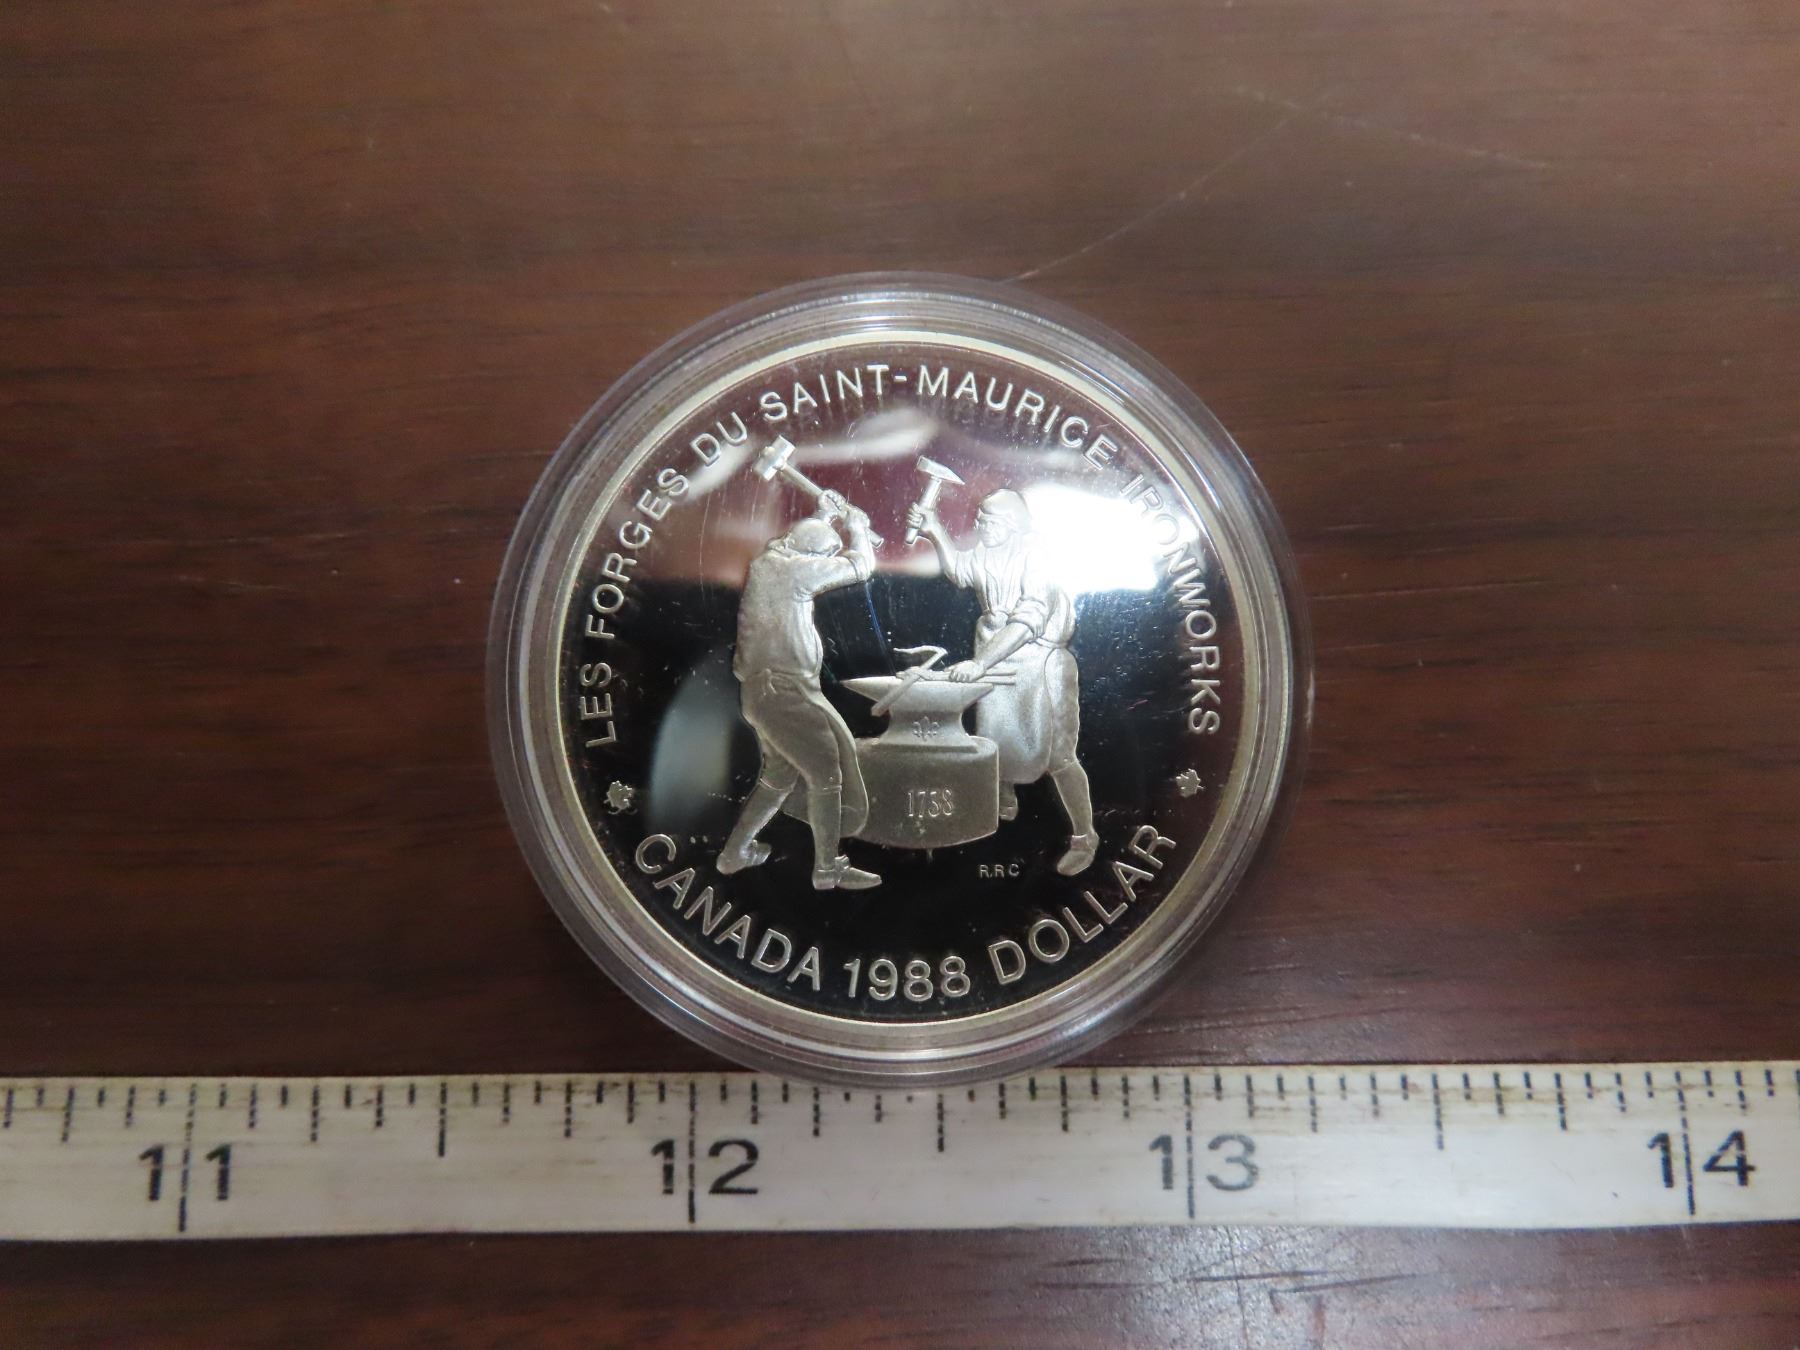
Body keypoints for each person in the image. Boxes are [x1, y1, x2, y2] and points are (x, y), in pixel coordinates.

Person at [907, 488, 1099, 875]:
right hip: (996, 654)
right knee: (995, 739)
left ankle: (1084, 836)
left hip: (1040, 661)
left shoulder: (1036, 554)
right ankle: (1004, 806)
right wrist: (935, 529)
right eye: (979, 519)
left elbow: (1030, 618)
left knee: (1059, 756)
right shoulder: (985, 551)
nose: (980, 525)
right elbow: (961, 571)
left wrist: (980, 663)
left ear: (1011, 524)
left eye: (988, 520)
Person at [717, 491, 881, 890]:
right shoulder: (796, 573)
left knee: (779, 776)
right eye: (824, 557)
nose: (824, 564)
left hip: (767, 694)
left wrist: (823, 515)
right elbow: (860, 567)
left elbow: (797, 541)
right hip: (784, 694)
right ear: (809, 555)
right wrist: (858, 529)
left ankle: (734, 854)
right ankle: (826, 870)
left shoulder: (768, 562)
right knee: (826, 773)